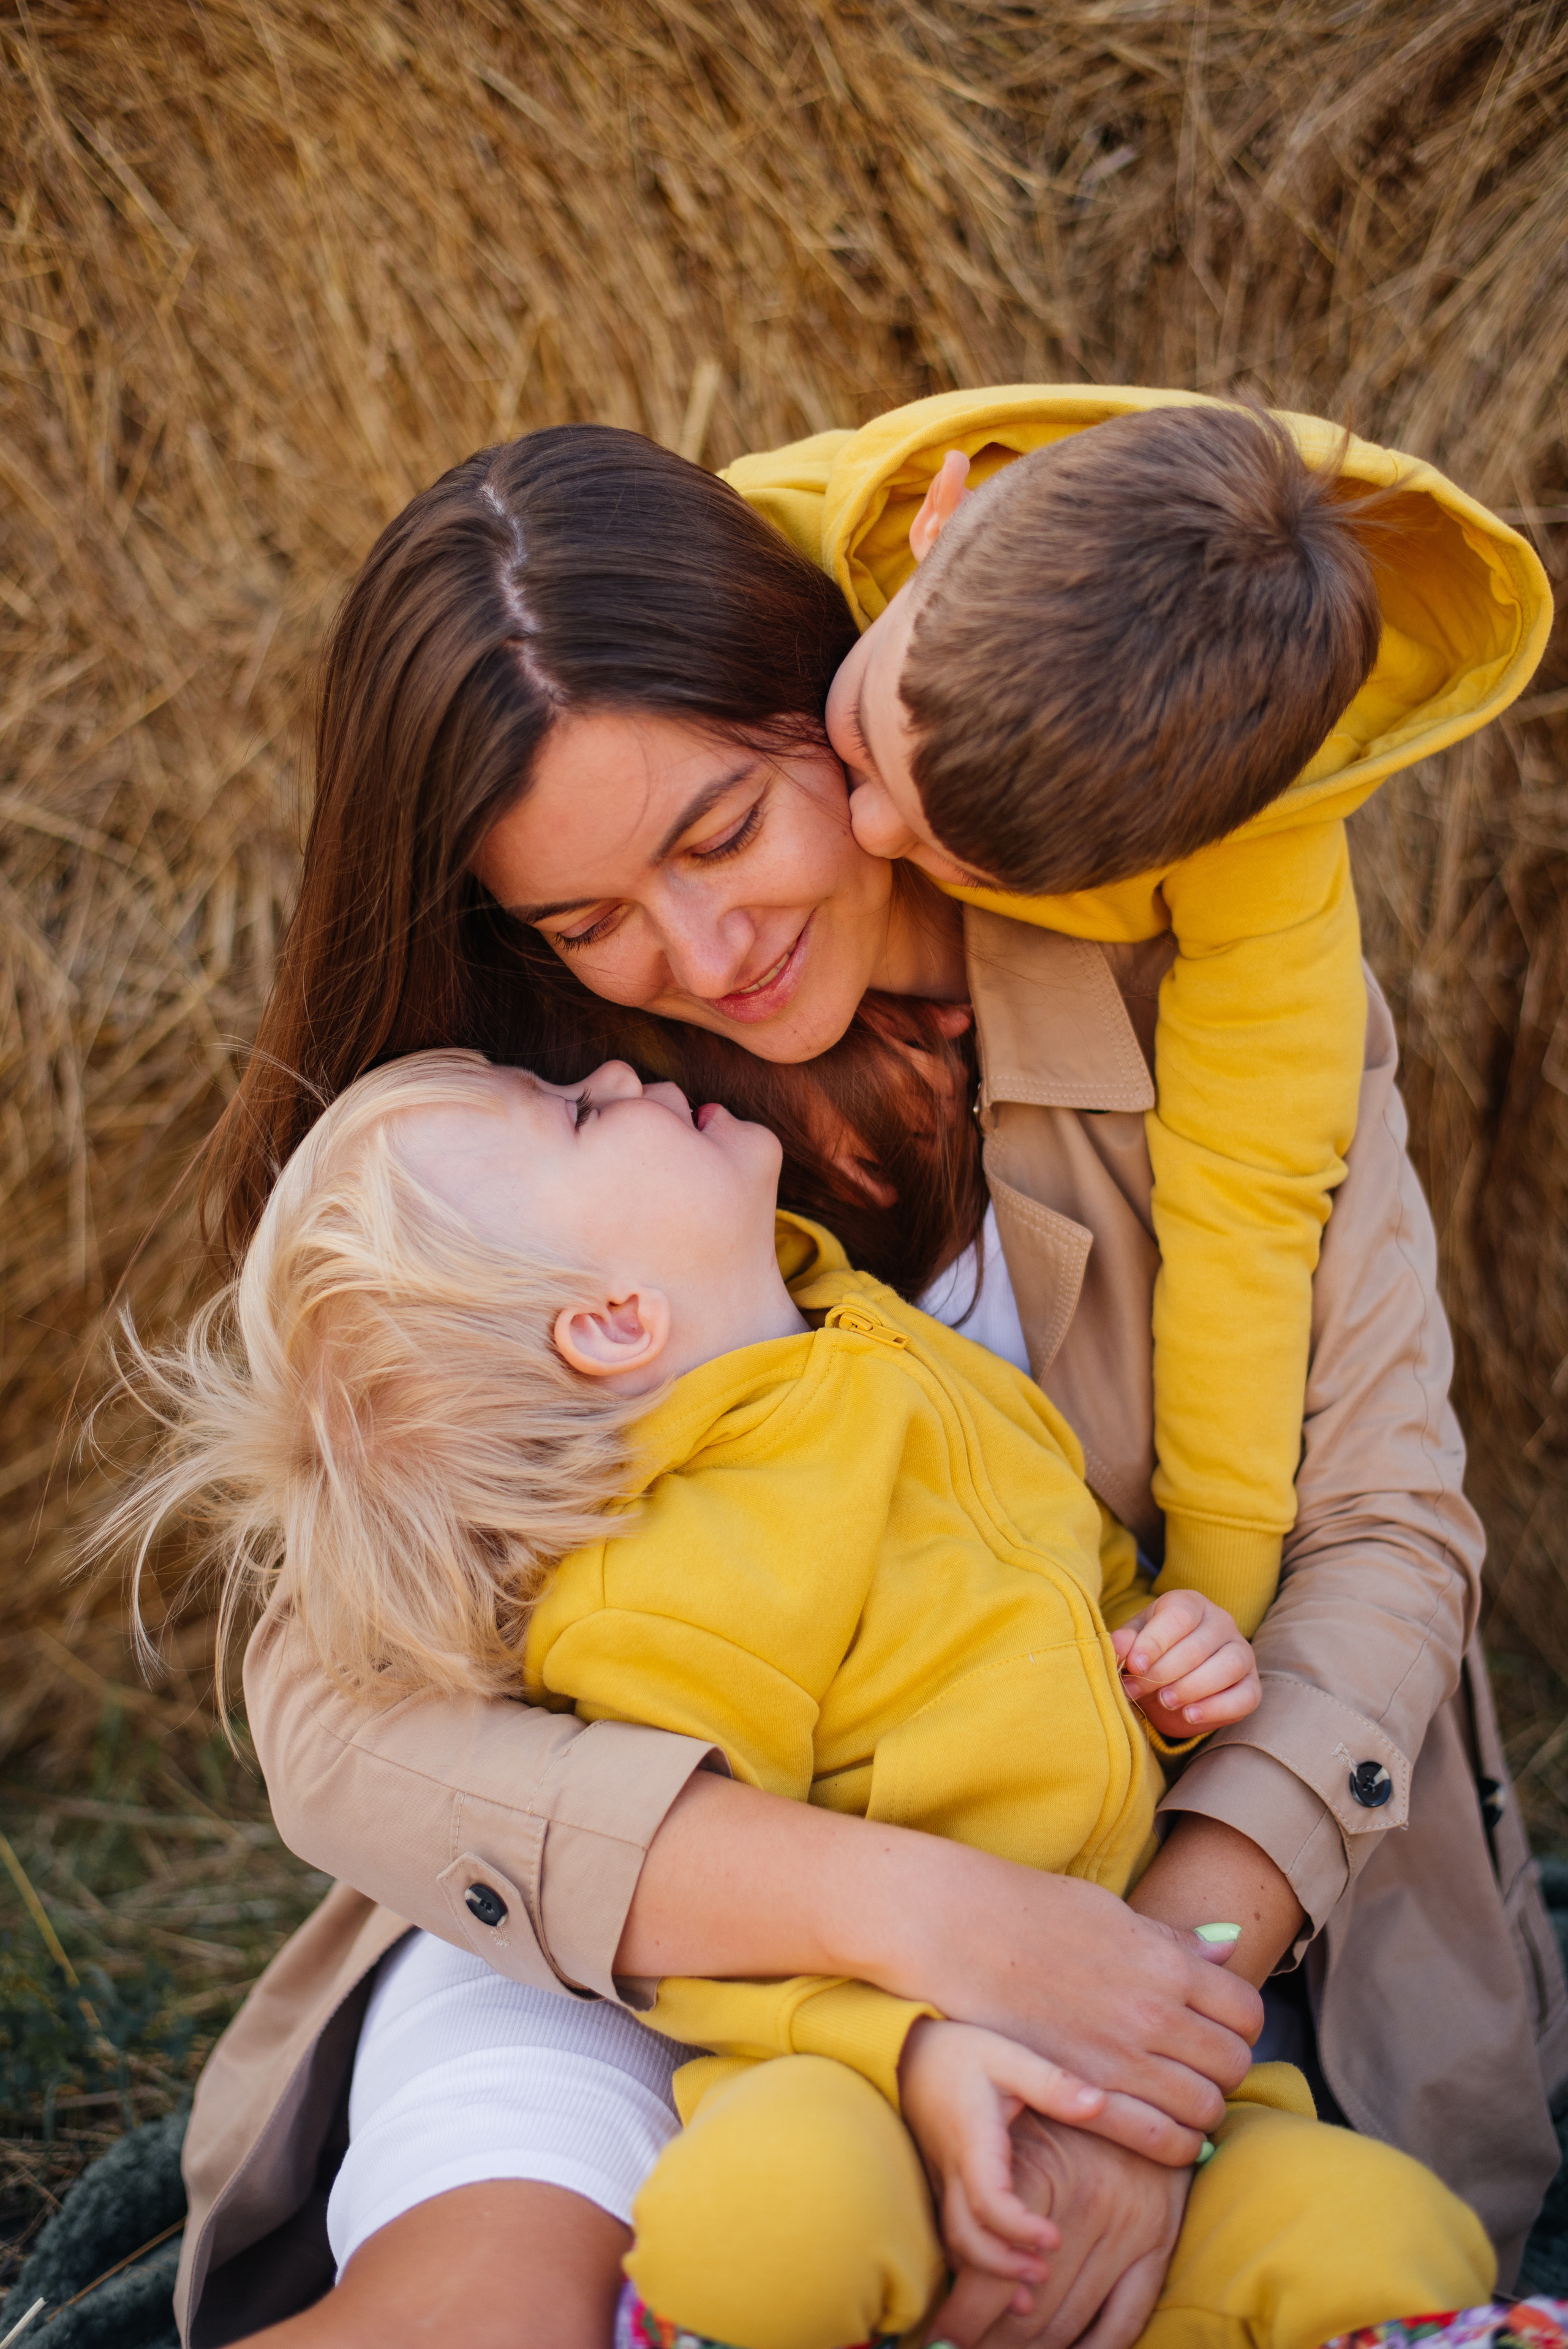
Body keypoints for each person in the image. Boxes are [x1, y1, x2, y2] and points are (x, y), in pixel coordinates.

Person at [163, 403, 1562, 2349]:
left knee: (1293, 2255)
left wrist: (1144, 2020)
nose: (699, 952)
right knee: (495, 2301)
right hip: (673, 1924)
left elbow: (1384, 1531)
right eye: (587, 917)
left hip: (1177, 1888)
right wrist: (905, 1917)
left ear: (839, 693)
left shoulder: (1227, 976)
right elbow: (337, 1701)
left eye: (725, 831)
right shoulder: (513, 1120)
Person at [123, 1044, 1492, 2348]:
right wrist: (908, 2052)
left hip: (1135, 2005)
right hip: (849, 2076)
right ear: (612, 1319)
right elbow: (703, 1933)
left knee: (1384, 2229)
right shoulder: (655, 1594)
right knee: (778, 2215)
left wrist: (1165, 1659)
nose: (619, 1076)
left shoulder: (888, 1354)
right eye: (580, 1114)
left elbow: (1065, 1593)